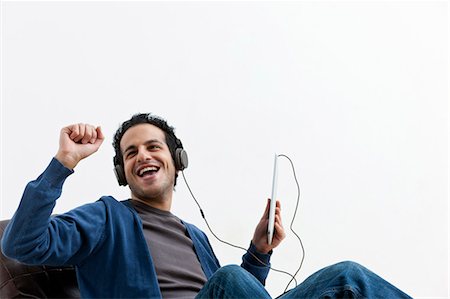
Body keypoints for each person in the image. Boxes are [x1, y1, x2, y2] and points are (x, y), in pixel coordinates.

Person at [1, 113, 412, 298]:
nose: (143, 155)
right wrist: (64, 162)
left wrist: (259, 252)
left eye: (153, 146)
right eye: (130, 153)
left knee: (347, 277)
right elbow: (20, 244)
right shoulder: (107, 216)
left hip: (224, 289)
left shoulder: (193, 235)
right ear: (123, 172)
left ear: (176, 161)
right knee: (229, 279)